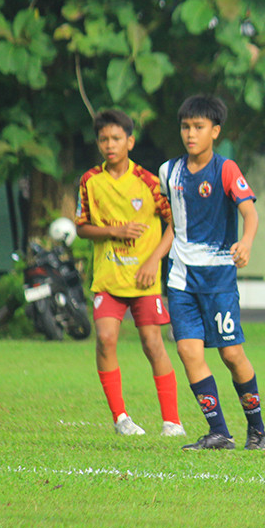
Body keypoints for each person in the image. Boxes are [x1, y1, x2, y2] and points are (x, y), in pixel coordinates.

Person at [159, 95, 265, 451]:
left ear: (215, 131)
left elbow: (249, 212)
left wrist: (246, 242)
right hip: (181, 278)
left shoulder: (226, 169)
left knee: (231, 355)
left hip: (218, 278)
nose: (191, 134)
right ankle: (219, 432)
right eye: (185, 127)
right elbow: (174, 223)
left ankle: (257, 430)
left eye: (199, 127)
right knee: (188, 351)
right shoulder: (168, 172)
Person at [75, 109, 185, 437]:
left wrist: (153, 262)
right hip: (108, 279)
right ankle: (120, 418)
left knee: (152, 344)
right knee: (106, 339)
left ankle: (172, 422)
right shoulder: (90, 181)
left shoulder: (150, 182)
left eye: (116, 138)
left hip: (144, 280)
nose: (110, 145)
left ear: (130, 141)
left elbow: (175, 225)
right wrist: (115, 231)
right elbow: (81, 227)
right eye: (103, 139)